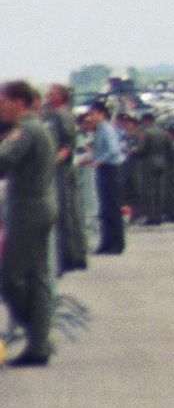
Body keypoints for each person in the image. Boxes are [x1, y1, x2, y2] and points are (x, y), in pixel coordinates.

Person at [0, 81, 59, 365]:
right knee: (36, 276)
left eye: (3, 102)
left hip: (28, 209)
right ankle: (39, 343)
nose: (0, 108)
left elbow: (3, 160)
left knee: (12, 278)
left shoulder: (26, 130)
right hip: (35, 206)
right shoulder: (34, 128)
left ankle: (37, 334)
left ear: (19, 102)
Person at [42, 84, 87, 273]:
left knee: (66, 212)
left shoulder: (64, 115)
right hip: (55, 169)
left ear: (60, 97)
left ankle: (74, 256)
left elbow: (68, 145)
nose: (48, 96)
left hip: (62, 170)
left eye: (51, 93)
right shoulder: (51, 115)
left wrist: (54, 162)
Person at [87, 102, 127, 254]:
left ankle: (117, 243)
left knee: (112, 208)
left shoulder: (106, 129)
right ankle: (107, 243)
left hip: (110, 170)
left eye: (94, 113)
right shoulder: (99, 129)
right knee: (105, 209)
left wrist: (99, 160)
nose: (91, 116)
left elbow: (113, 150)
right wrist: (92, 159)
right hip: (104, 170)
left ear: (102, 113)